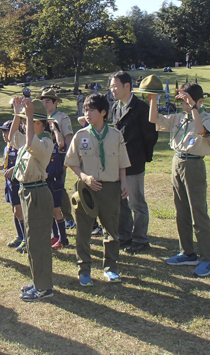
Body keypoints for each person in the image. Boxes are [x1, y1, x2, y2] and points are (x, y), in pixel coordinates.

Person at [148, 81, 210, 277]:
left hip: (194, 164)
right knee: (181, 210)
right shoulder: (179, 117)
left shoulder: (207, 117)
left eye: (187, 101)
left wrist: (194, 108)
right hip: (177, 161)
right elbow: (153, 118)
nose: (184, 105)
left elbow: (201, 131)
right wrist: (153, 98)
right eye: (183, 101)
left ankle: (208, 258)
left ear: (199, 101)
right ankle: (187, 252)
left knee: (198, 212)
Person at [65, 94, 130, 286]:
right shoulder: (81, 135)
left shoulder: (116, 135)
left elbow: (122, 162)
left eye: (91, 110)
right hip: (87, 189)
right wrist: (84, 177)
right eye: (85, 110)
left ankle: (111, 268)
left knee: (111, 230)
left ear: (103, 113)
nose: (87, 114)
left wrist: (124, 182)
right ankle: (84, 270)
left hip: (110, 188)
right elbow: (71, 162)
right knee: (83, 231)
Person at [7, 98, 55, 302]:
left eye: (29, 121)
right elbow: (12, 138)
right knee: (31, 240)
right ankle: (38, 281)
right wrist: (18, 114)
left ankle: (44, 287)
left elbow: (27, 142)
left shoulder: (44, 141)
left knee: (38, 242)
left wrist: (26, 114)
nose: (25, 125)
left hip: (37, 193)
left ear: (39, 123)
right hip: (26, 192)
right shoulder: (31, 138)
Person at [109, 71, 158, 253]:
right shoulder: (115, 107)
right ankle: (125, 235)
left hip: (135, 162)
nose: (112, 90)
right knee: (121, 201)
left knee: (136, 202)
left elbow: (150, 136)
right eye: (111, 86)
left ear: (127, 86)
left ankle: (140, 239)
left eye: (115, 86)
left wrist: (142, 157)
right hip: (117, 164)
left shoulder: (142, 108)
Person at [0, 120, 26, 253]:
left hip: (17, 183)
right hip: (9, 184)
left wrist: (14, 168)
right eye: (2, 132)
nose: (4, 134)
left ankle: (26, 238)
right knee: (14, 211)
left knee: (20, 211)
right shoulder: (6, 148)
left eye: (6, 131)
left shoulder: (19, 146)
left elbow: (24, 162)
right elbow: (5, 165)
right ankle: (19, 236)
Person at [39, 89, 75, 229]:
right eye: (42, 102)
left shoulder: (62, 117)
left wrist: (66, 158)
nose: (45, 104)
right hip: (44, 159)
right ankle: (52, 217)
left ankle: (67, 217)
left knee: (59, 187)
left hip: (58, 158)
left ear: (55, 102)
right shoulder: (41, 117)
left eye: (47, 101)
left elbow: (68, 138)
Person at [47, 119, 69, 249]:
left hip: (56, 182)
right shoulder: (44, 146)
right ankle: (55, 236)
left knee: (56, 211)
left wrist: (55, 128)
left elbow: (61, 143)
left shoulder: (57, 147)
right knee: (50, 211)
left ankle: (63, 239)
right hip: (47, 182)